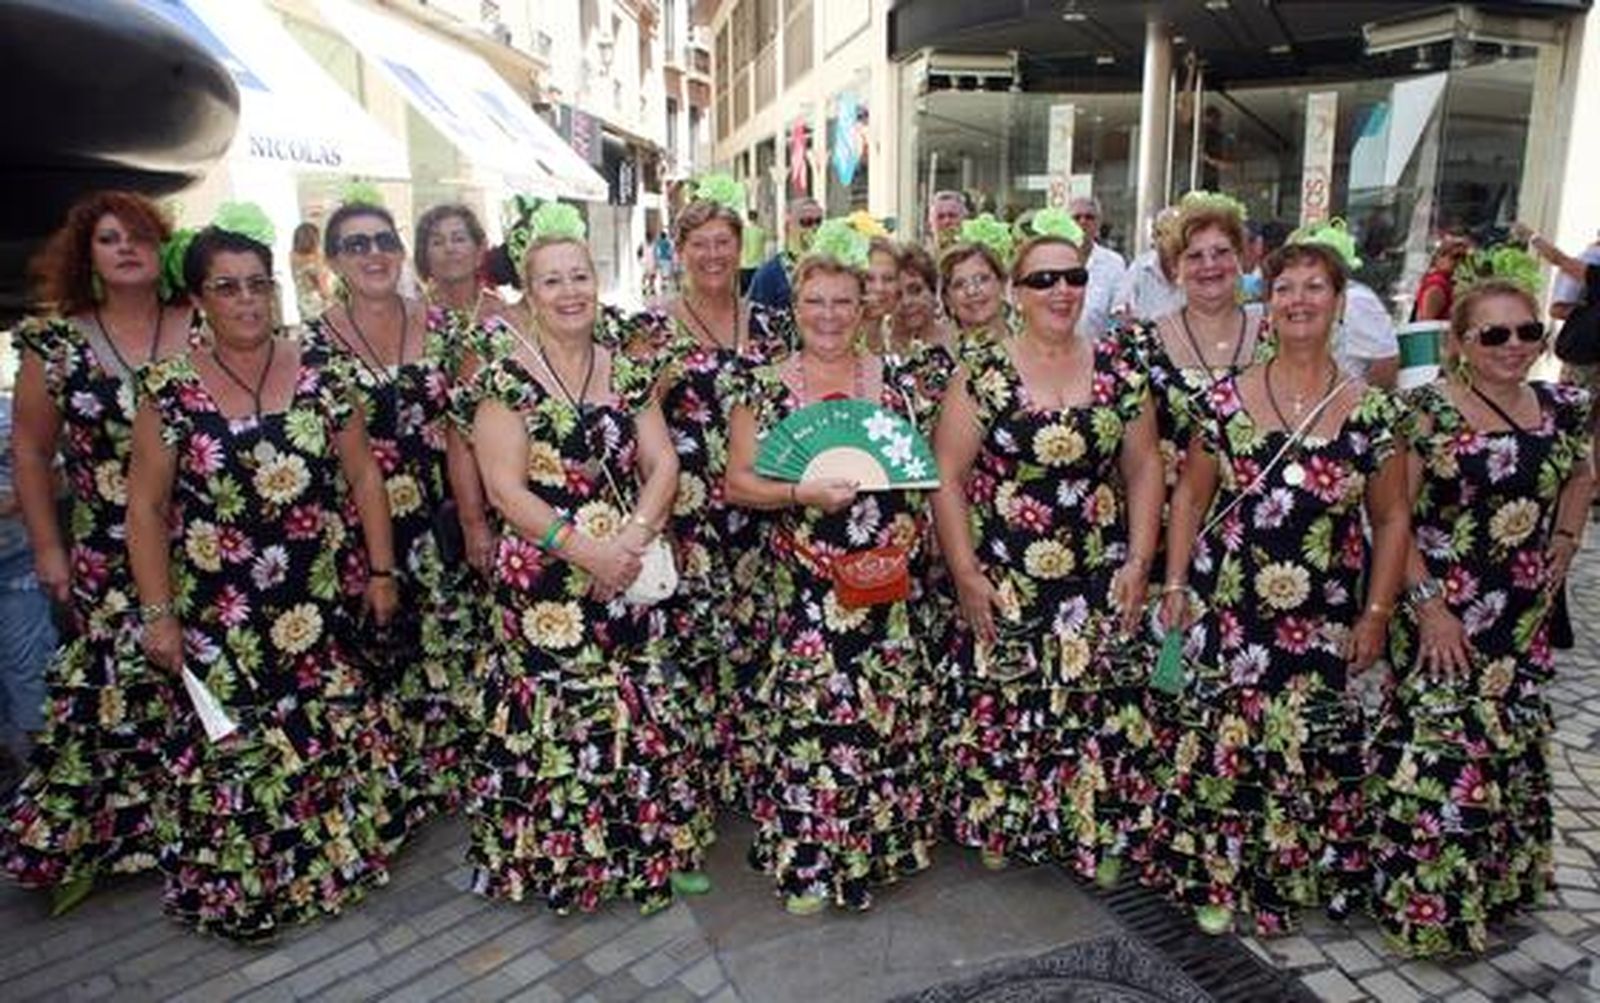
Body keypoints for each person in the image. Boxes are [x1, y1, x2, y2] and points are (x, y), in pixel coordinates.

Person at [125, 216, 408, 941]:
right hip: (221, 611)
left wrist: (380, 571)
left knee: (319, 737)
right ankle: (244, 893)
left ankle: (324, 868)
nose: (247, 300)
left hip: (316, 597)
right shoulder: (169, 390)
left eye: (258, 284)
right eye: (227, 287)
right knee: (239, 754)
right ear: (197, 299)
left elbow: (365, 478)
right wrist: (158, 614)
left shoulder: (322, 374)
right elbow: (148, 508)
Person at [1157, 240, 1410, 937]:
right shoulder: (1224, 401)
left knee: (1308, 750)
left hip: (1322, 619)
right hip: (1231, 613)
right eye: (1286, 289)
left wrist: (1378, 612)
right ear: (1267, 305)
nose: (1299, 301)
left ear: (1340, 303)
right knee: (1226, 746)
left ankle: (1294, 874)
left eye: (1315, 288)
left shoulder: (1374, 413)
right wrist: (1175, 579)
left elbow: (1391, 519)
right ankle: (1217, 872)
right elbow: (1189, 499)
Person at [465, 201, 701, 915]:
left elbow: (664, 463)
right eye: (550, 281)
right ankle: (566, 861)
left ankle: (644, 850)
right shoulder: (506, 378)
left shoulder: (627, 369)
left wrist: (627, 543)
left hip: (625, 569)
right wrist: (587, 552)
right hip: (546, 583)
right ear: (527, 294)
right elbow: (504, 490)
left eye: (579, 277)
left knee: (635, 710)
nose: (569, 293)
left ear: (597, 284)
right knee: (557, 719)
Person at [931, 209, 1163, 881]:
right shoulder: (983, 373)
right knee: (1012, 703)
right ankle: (1007, 817)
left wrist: (1140, 562)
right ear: (1016, 291)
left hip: (1097, 568)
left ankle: (1095, 828)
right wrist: (966, 572)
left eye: (1073, 277)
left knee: (1097, 706)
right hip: (1009, 570)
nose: (1061, 291)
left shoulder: (1121, 368)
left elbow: (1145, 466)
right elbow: (946, 473)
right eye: (1043, 280)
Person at [1370, 279, 1593, 957]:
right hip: (1444, 608)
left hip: (1521, 612)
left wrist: (1562, 545)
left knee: (1506, 747)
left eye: (1528, 331)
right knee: (1442, 755)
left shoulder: (1563, 404)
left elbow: (1579, 477)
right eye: (1494, 334)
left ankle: (1496, 886)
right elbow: (1392, 517)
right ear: (1461, 343)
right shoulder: (1424, 411)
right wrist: (1428, 606)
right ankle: (1429, 904)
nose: (1514, 346)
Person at [726, 231, 939, 915]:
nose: (827, 314)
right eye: (814, 301)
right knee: (814, 719)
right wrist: (799, 494)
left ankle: (874, 848)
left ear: (864, 305)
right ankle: (811, 859)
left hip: (884, 576)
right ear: (795, 307)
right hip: (807, 583)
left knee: (880, 713)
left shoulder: (898, 382)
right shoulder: (761, 387)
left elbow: (924, 472)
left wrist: (909, 533)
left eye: (841, 301)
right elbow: (737, 482)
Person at [2, 191, 193, 914]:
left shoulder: (200, 323)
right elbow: (29, 449)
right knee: (122, 691)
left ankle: (196, 821)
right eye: (110, 238)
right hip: (108, 545)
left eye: (140, 235)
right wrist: (48, 546)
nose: (126, 248)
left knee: (204, 689)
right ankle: (108, 840)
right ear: (87, 254)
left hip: (211, 538)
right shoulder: (56, 345)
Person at [304, 200, 472, 824]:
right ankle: (395, 782)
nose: (372, 254)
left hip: (440, 512)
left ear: (401, 250)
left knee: (449, 641)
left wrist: (476, 520)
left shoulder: (445, 329)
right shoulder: (312, 347)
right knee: (382, 649)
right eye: (354, 245)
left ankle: (452, 775)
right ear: (334, 261)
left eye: (382, 240)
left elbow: (467, 428)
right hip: (359, 522)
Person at [632, 178, 789, 818]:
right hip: (692, 508)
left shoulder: (774, 324)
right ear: (680, 249)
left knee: (757, 639)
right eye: (700, 244)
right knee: (696, 645)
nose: (714, 255)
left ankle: (752, 774)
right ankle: (699, 780)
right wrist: (656, 516)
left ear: (740, 245)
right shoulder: (654, 327)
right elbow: (640, 426)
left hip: (762, 503)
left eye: (724, 242)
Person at [1128, 191, 1265, 490]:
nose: (1209, 265)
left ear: (1240, 258)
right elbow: (1138, 461)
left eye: (1221, 252)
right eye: (1194, 255)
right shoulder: (1141, 347)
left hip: (1257, 520)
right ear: (1175, 267)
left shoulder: (1275, 337)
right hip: (1166, 522)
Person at [0, 387, 53, 793]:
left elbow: (55, 476)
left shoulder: (8, 417)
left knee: (28, 675)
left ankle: (34, 783)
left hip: (17, 570)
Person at [939, 222, 1011, 352]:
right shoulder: (938, 361)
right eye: (959, 285)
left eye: (982, 279)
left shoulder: (1035, 348)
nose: (972, 291)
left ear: (1002, 284)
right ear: (947, 299)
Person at [748, 197, 822, 312]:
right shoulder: (769, 274)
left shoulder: (834, 268)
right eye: (806, 222)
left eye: (819, 222)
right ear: (788, 227)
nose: (814, 228)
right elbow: (756, 322)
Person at [1114, 206, 1185, 323]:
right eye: (1163, 233)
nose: (1170, 240)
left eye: (1176, 233)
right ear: (1154, 236)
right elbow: (1120, 308)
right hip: (1146, 337)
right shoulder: (1140, 267)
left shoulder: (1195, 269)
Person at [1070, 196, 1127, 340]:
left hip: (1097, 353)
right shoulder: (1054, 260)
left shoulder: (1114, 263)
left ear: (1098, 223)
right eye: (1076, 218)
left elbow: (1119, 311)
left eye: (1089, 217)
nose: (1083, 222)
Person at [1411, 235, 1471, 322]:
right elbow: (1427, 322)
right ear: (1439, 257)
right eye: (1455, 257)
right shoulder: (1437, 284)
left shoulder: (1450, 282)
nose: (1460, 262)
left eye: (1463, 258)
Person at [291, 221, 333, 323]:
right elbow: (322, 288)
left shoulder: (293, 257)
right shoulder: (316, 259)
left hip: (303, 302)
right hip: (319, 305)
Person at [739, 208, 768, 294]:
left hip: (744, 264)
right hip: (758, 265)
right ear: (757, 218)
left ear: (748, 218)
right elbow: (763, 248)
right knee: (756, 291)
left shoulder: (742, 232)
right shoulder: (762, 232)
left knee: (743, 291)